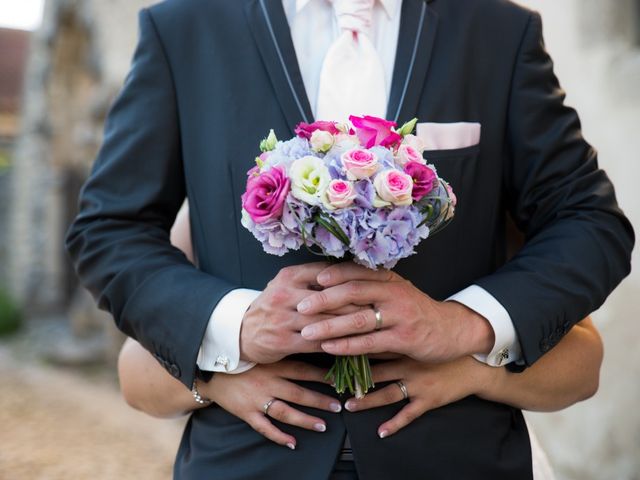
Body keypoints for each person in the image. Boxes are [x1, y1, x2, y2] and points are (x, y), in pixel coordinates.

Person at [65, 0, 634, 478]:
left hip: (454, 455)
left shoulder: (496, 31)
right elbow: (110, 228)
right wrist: (235, 327)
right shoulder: (184, 28)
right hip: (248, 459)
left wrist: (463, 324)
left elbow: (589, 222)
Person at [118, 203, 603, 479]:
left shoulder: (480, 192)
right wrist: (219, 376)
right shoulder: (222, 204)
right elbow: (134, 373)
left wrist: (473, 367)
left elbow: (584, 365)